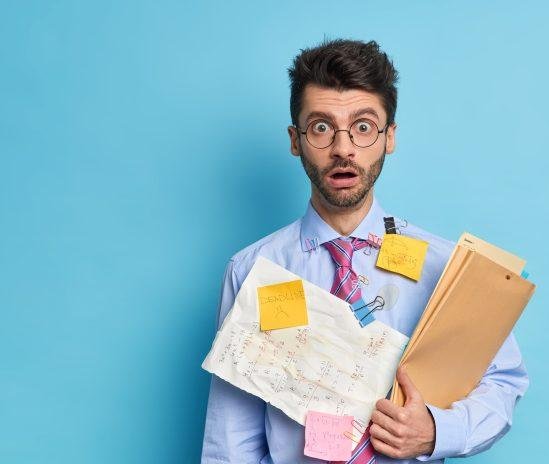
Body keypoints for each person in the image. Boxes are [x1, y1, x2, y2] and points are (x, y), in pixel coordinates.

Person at [201, 39, 528, 464]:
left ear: (389, 136)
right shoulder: (252, 270)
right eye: (320, 127)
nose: (343, 148)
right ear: (295, 140)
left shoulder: (445, 267)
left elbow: (503, 381)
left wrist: (436, 431)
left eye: (363, 126)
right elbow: (232, 440)